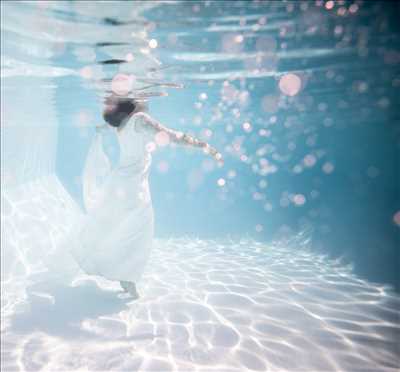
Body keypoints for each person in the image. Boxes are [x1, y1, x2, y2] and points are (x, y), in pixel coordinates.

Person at [69, 94, 223, 299]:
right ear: (130, 102)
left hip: (120, 182)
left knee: (117, 227)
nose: (147, 100)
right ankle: (126, 276)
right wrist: (204, 146)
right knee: (137, 231)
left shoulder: (123, 123)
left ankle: (123, 274)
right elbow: (171, 136)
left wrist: (101, 128)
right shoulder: (140, 120)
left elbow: (112, 126)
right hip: (133, 187)